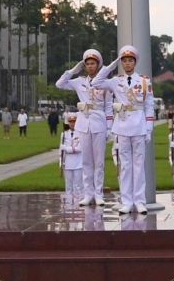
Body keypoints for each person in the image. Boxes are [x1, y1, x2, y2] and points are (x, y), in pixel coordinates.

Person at [56, 48, 116, 207]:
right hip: (83, 122)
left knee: (99, 162)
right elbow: (59, 84)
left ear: (98, 65)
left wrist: (109, 127)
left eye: (93, 63)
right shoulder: (79, 81)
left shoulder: (104, 83)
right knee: (86, 161)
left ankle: (99, 193)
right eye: (87, 64)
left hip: (99, 122)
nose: (90, 66)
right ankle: (88, 194)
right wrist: (72, 70)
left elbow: (109, 107)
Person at [99, 44, 154, 214]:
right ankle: (127, 201)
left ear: (135, 62)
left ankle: (139, 201)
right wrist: (110, 66)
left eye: (130, 60)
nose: (127, 63)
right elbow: (96, 82)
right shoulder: (116, 80)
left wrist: (149, 128)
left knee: (138, 165)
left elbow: (149, 105)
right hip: (122, 125)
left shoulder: (144, 81)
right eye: (124, 61)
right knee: (125, 165)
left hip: (138, 124)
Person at [59, 112, 83, 201]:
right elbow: (60, 150)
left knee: (78, 185)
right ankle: (69, 203)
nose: (72, 124)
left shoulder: (80, 134)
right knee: (68, 186)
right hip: (68, 162)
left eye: (74, 122)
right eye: (70, 122)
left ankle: (78, 202)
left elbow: (79, 148)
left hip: (78, 162)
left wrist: (67, 148)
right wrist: (61, 163)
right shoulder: (64, 134)